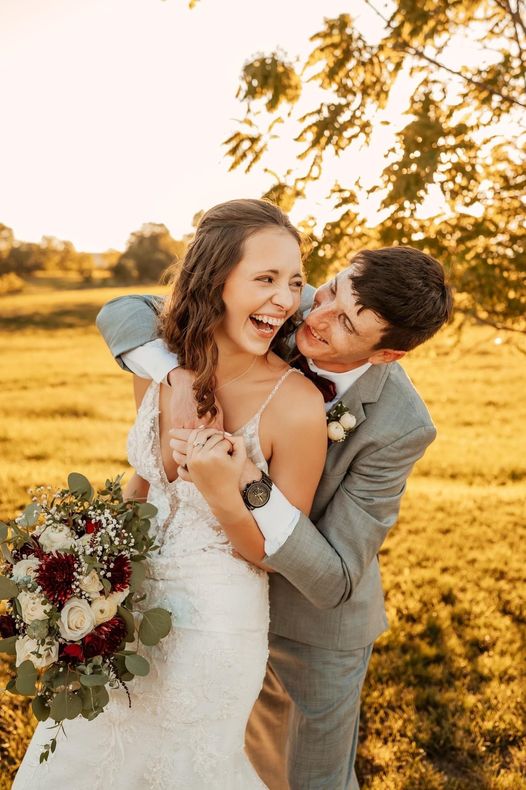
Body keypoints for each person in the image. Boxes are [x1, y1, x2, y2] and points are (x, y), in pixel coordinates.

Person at [97, 239, 453, 789]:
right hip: (209, 602)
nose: (318, 313)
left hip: (313, 630)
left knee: (309, 779)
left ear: (386, 354)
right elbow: (126, 310)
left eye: (348, 323)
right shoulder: (287, 304)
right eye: (333, 288)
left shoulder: (401, 426)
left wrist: (251, 487)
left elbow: (335, 576)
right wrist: (175, 375)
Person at [12, 199, 327, 790]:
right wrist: (81, 569)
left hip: (215, 627)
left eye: (295, 281)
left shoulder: (296, 405)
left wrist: (225, 492)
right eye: (265, 279)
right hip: (120, 615)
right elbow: (145, 481)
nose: (285, 300)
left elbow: (275, 552)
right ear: (216, 281)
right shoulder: (158, 368)